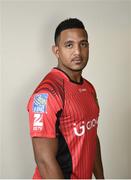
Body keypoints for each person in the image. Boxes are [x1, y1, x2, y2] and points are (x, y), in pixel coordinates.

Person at [27, 18, 104, 179]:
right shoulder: (46, 94)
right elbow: (44, 160)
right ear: (57, 51)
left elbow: (91, 138)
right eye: (69, 45)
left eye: (83, 44)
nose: (77, 51)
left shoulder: (89, 88)